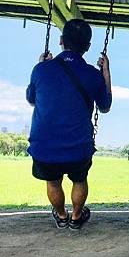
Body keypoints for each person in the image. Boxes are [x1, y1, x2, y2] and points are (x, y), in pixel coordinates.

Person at [26, 19, 112, 229]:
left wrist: (41, 64)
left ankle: (62, 215)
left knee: (53, 182)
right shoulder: (93, 74)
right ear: (88, 47)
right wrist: (106, 73)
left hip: (45, 146)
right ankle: (76, 217)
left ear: (61, 41)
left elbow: (32, 100)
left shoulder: (40, 70)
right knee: (79, 180)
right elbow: (105, 106)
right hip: (78, 145)